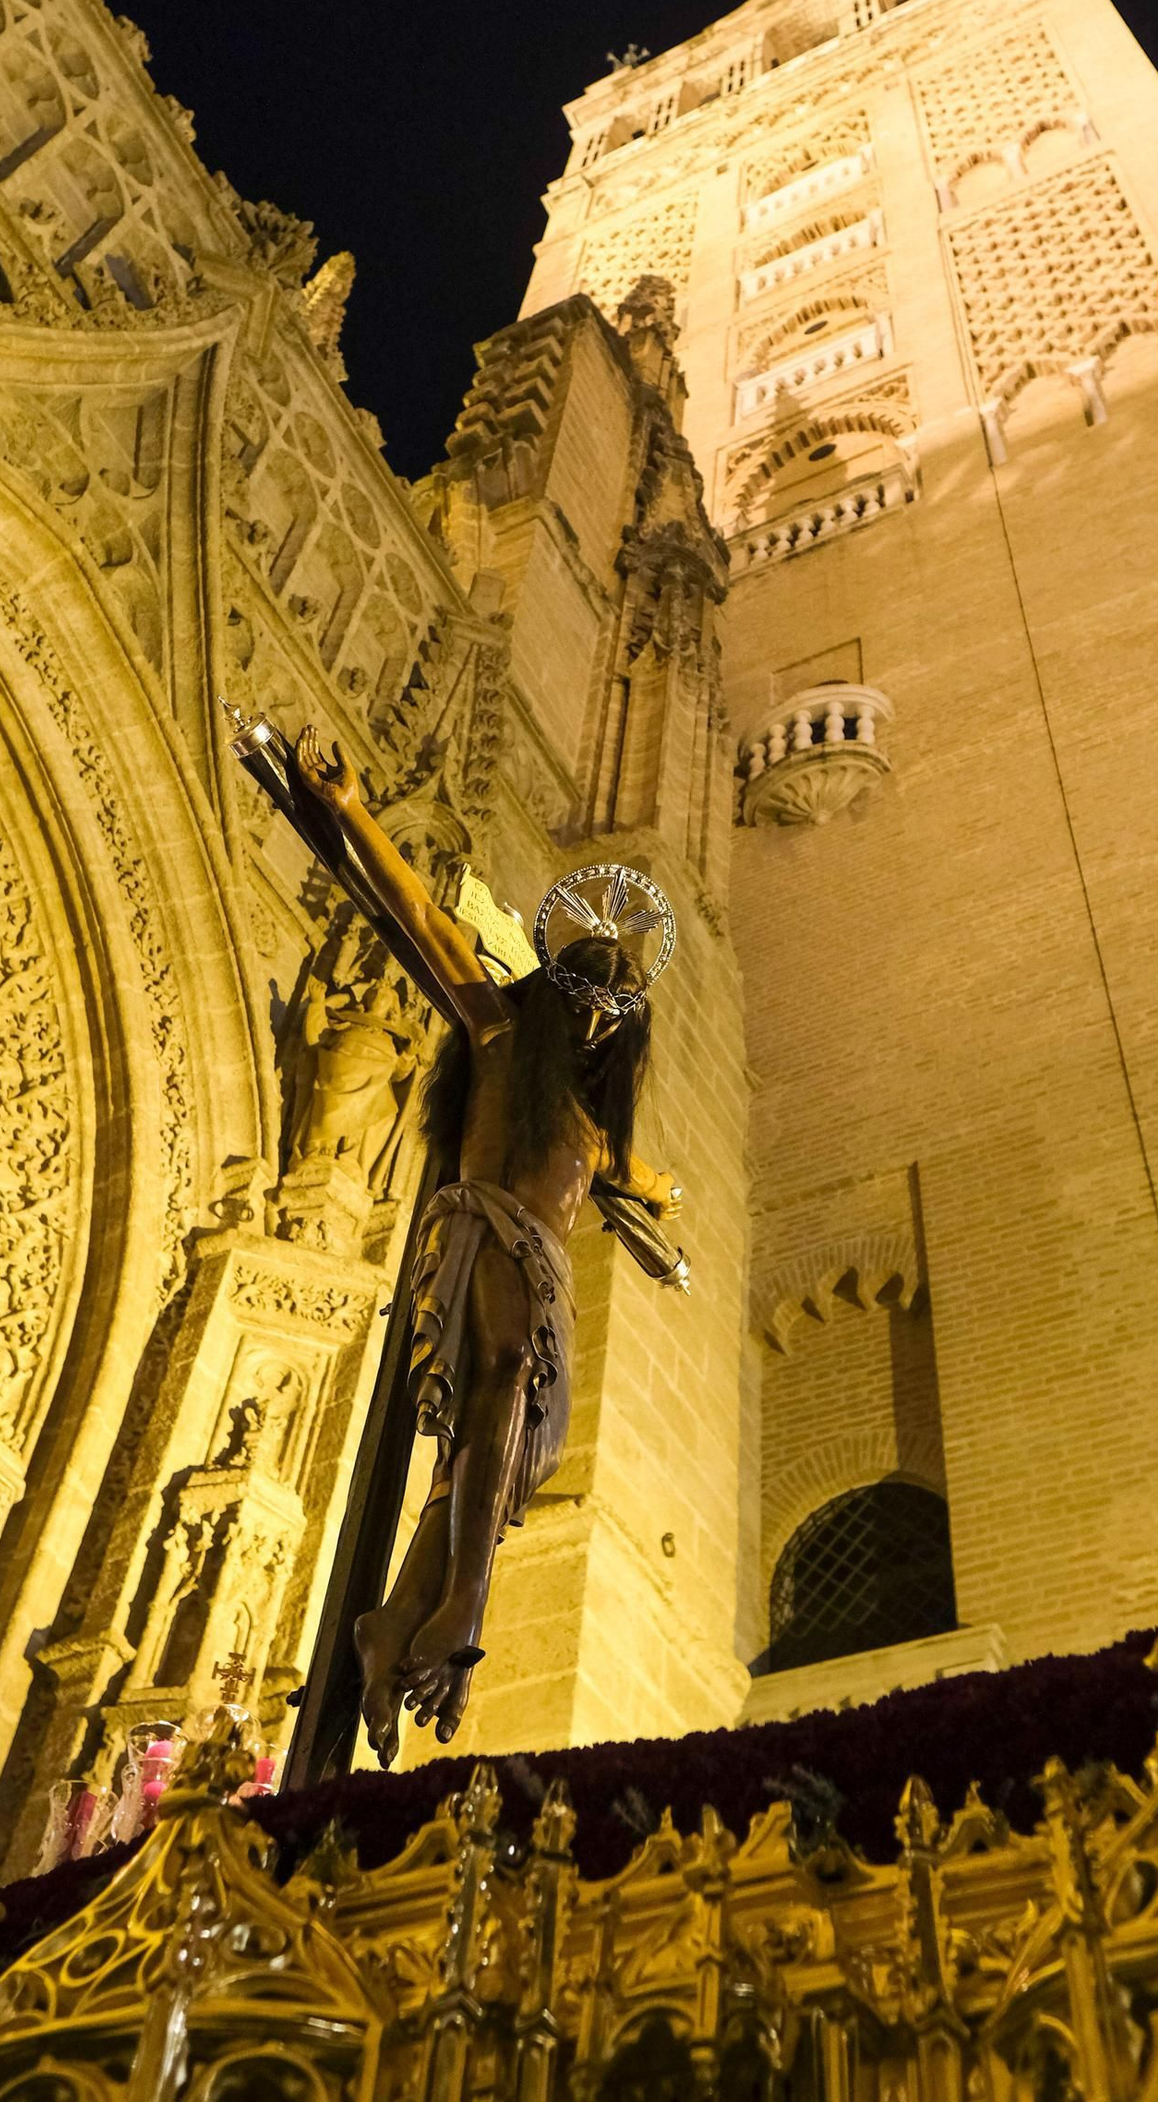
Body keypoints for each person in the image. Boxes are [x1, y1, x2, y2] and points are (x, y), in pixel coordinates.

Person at [292, 727, 681, 1762]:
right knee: (500, 1374)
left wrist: (660, 1195)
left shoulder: (598, 1136)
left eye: (617, 1018)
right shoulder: (506, 1039)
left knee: (485, 1466)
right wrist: (347, 811)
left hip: (542, 1274)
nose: (596, 1028)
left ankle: (391, 1626)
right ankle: (462, 1603)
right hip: (483, 1234)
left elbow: (642, 1184)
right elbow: (420, 919)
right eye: (587, 1003)